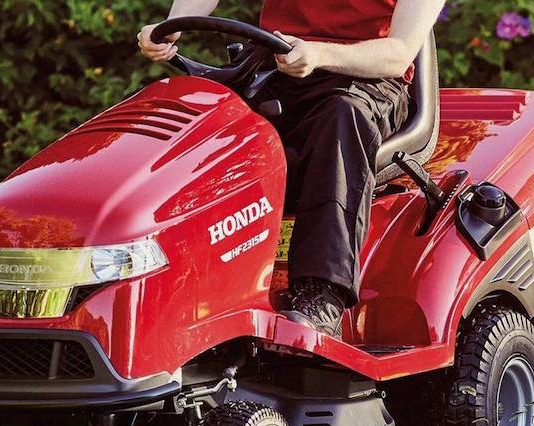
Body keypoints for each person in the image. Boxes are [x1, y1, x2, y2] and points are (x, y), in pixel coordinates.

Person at [139, 0, 445, 338]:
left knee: (342, 117)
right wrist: (173, 23)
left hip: (364, 82)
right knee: (203, 118)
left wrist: (318, 54)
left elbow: (398, 54)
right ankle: (174, 283)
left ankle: (322, 295)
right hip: (275, 64)